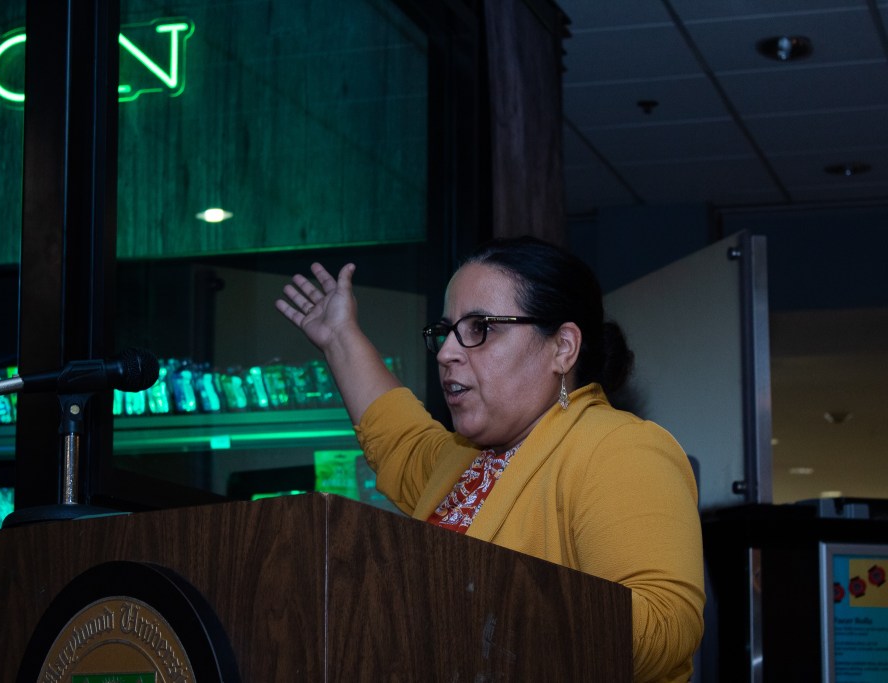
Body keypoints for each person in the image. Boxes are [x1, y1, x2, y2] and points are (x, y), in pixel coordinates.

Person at [275, 236, 705, 683]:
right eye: (447, 331)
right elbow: (396, 436)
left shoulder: (619, 448)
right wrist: (340, 337)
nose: (446, 352)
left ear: (562, 348)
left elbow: (663, 630)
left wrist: (474, 608)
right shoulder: (463, 462)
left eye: (481, 328)